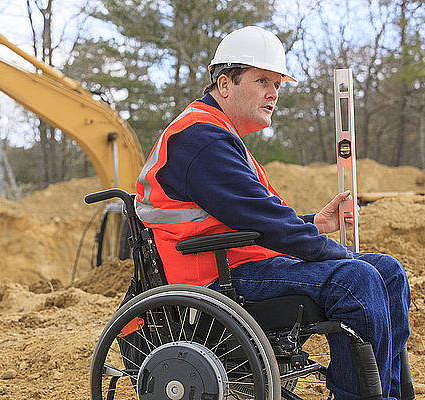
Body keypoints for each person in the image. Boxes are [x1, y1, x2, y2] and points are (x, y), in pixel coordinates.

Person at [135, 25, 411, 399]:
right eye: (262, 80)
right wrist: (339, 253)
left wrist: (315, 223)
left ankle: (390, 394)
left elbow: (257, 215)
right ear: (224, 83)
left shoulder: (220, 135)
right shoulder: (200, 139)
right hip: (215, 277)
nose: (273, 93)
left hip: (244, 261)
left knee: (388, 272)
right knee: (355, 279)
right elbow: (262, 221)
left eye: (277, 84)